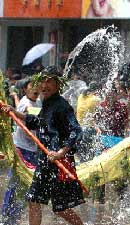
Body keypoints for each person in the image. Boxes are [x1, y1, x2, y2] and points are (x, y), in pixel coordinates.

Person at [1, 66, 84, 225]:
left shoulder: (62, 106)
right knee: (33, 199)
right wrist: (13, 111)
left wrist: (60, 152)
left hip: (59, 163)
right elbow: (37, 122)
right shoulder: (46, 103)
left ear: (58, 84)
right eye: (42, 81)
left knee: (61, 209)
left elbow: (76, 131)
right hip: (45, 161)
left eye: (49, 81)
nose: (44, 85)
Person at [1, 78, 41, 225]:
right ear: (25, 89)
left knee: (27, 182)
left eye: (37, 85)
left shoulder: (38, 102)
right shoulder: (26, 103)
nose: (36, 88)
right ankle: (6, 213)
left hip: (32, 148)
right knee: (15, 180)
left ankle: (15, 212)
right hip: (21, 147)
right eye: (32, 86)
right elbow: (22, 115)